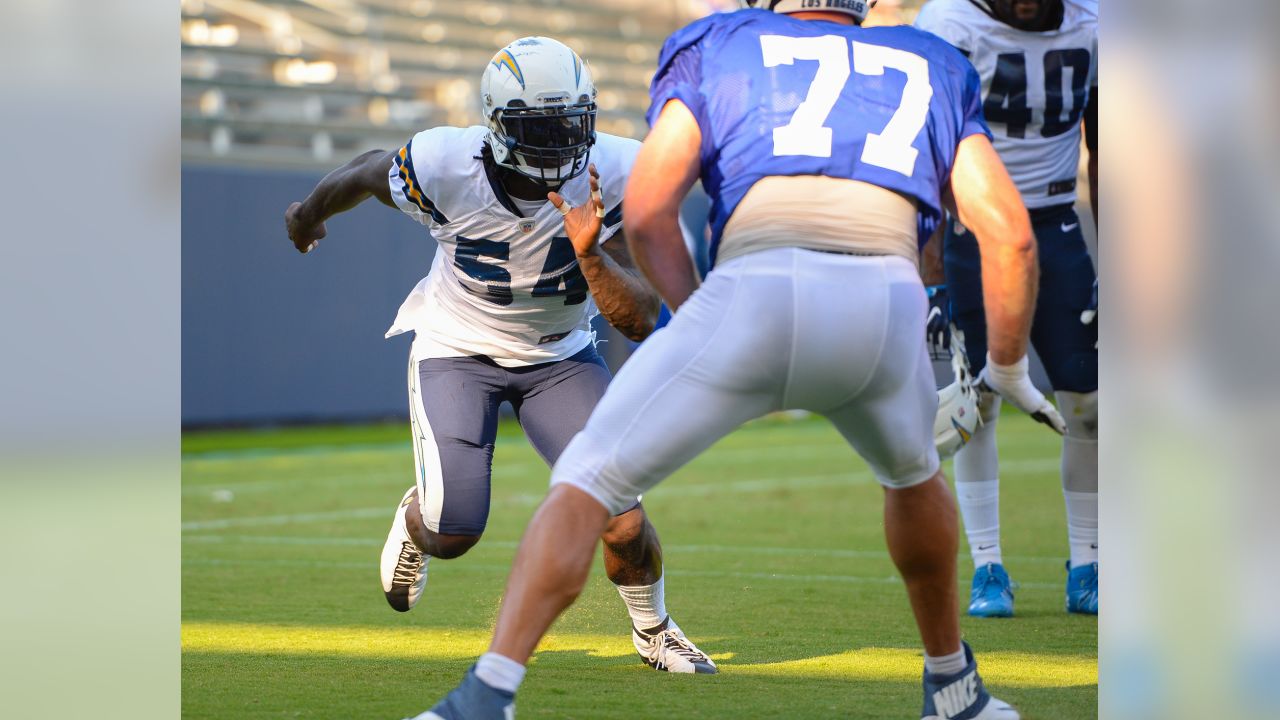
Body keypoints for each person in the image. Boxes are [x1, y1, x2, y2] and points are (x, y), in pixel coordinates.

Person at [414, 2, 1067, 718]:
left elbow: (657, 210)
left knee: (586, 484)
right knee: (915, 478)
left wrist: (702, 326)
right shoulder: (931, 60)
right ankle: (953, 686)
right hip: (884, 299)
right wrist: (1003, 368)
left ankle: (488, 695)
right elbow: (1009, 236)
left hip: (754, 284)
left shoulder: (720, 42)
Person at [283, 36, 717, 675]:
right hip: (458, 348)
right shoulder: (444, 163)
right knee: (454, 531)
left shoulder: (618, 170)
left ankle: (653, 629)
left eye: (570, 122)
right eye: (538, 126)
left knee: (621, 517)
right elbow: (366, 171)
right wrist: (308, 214)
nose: (558, 140)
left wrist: (592, 252)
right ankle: (416, 520)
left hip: (561, 357)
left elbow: (641, 316)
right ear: (497, 124)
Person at [915, 0, 1099, 618]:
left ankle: (1090, 561)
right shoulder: (950, 27)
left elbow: (1109, 151)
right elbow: (926, 157)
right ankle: (988, 565)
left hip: (1055, 221)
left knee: (1090, 401)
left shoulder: (1094, 24)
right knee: (977, 401)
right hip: (973, 225)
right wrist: (934, 279)